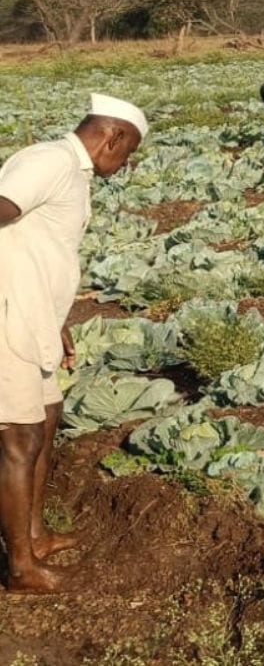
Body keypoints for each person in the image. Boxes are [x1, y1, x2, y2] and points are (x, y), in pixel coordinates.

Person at [0, 94, 146, 594]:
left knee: (47, 415)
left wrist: (55, 315)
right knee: (19, 438)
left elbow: (36, 244)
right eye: (127, 156)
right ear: (114, 137)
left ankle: (34, 536)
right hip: (8, 314)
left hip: (34, 315)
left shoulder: (70, 170)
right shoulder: (52, 162)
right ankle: (20, 568)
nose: (123, 165)